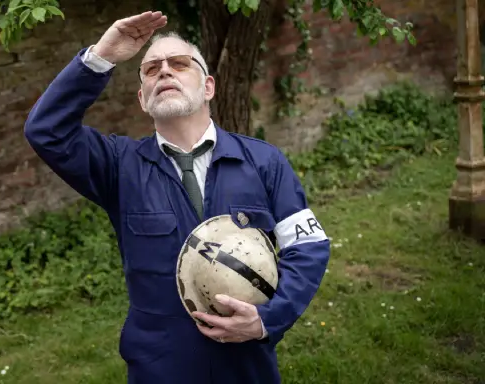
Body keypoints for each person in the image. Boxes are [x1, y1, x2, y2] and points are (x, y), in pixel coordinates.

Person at [24, 10, 331, 384]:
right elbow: (46, 131)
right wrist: (100, 57)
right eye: (151, 69)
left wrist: (268, 320)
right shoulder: (119, 167)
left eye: (179, 64)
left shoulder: (263, 161)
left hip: (247, 365)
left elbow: (309, 246)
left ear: (208, 88)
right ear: (142, 98)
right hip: (160, 368)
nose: (164, 71)